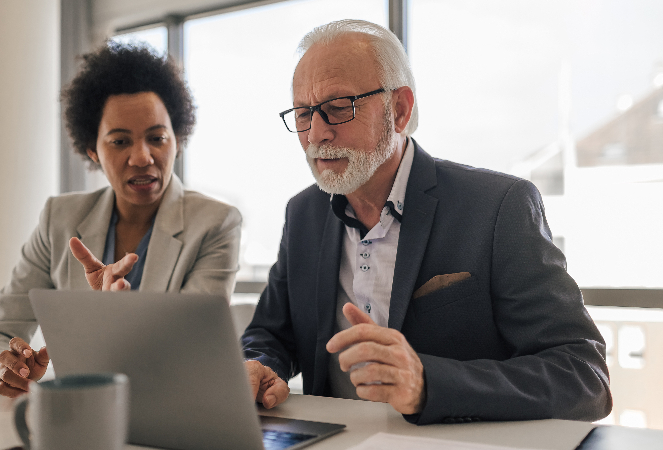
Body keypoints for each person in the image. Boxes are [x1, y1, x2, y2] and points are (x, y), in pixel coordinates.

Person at [241, 19, 611, 425]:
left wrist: (428, 385)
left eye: (337, 108)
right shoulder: (303, 214)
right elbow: (272, 335)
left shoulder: (497, 207)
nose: (316, 134)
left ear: (399, 110)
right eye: (303, 113)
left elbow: (583, 376)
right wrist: (259, 366)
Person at [0, 42, 242, 397]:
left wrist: (116, 317)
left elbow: (188, 352)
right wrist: (5, 370)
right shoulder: (59, 220)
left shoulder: (216, 224)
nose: (142, 157)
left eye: (157, 138)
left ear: (178, 140)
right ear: (92, 151)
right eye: (119, 141)